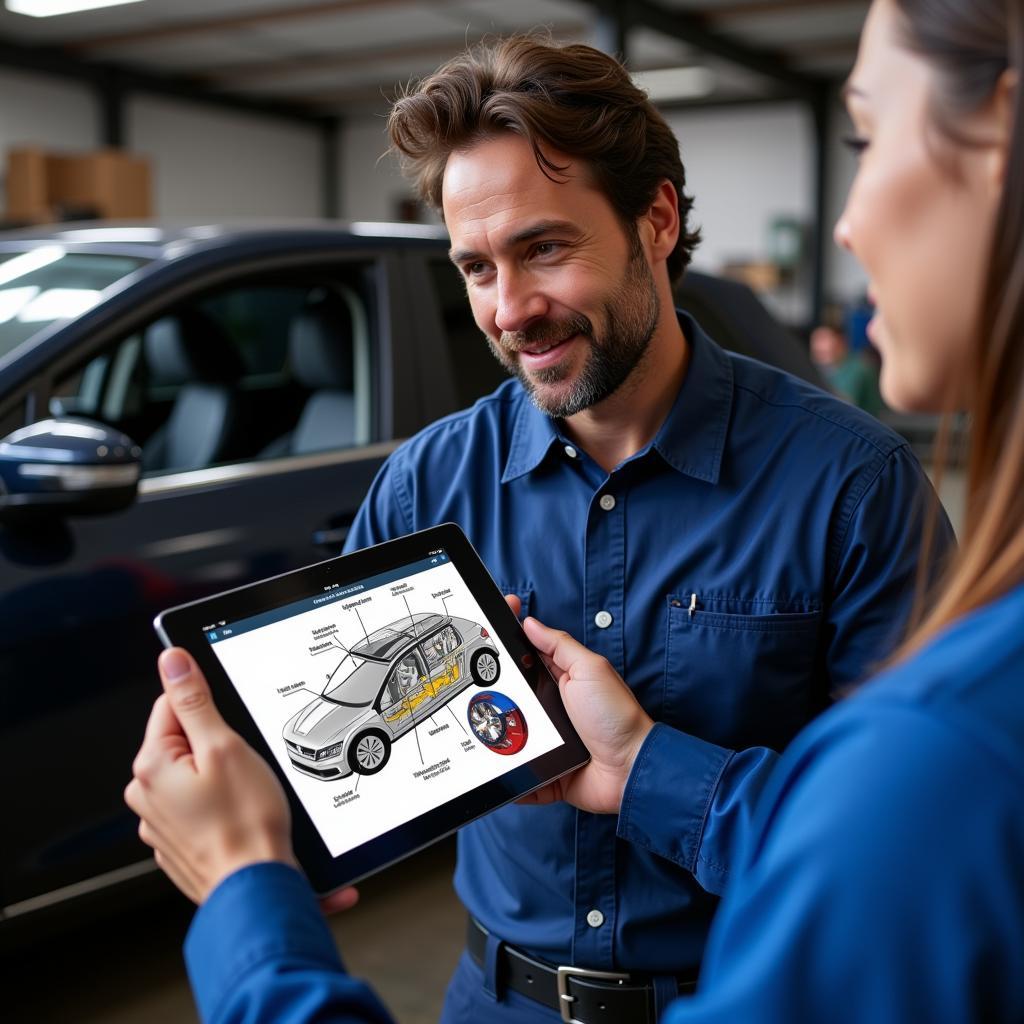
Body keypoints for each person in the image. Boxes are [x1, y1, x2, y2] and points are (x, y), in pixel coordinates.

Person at [124, 16, 970, 1024]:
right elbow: (347, 755)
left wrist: (658, 770)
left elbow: (914, 844)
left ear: (655, 222)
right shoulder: (424, 484)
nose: (510, 307)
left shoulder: (851, 482)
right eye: (476, 267)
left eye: (543, 249)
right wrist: (264, 817)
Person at [809, 318, 884, 414]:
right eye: (815, 341)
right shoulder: (819, 369)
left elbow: (846, 404)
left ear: (841, 342)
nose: (818, 346)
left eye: (823, 340)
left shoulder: (859, 368)